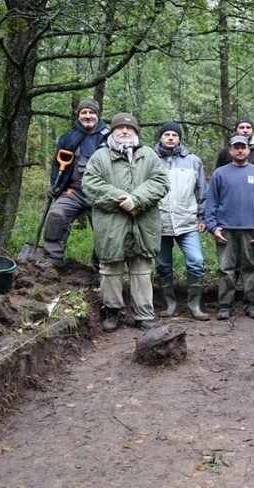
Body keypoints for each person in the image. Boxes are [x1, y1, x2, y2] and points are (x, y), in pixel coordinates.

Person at [82, 113, 169, 332]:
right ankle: (112, 312)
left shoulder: (148, 155)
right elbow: (91, 185)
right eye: (119, 128)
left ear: (136, 132)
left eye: (129, 129)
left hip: (143, 222)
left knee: (141, 271)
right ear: (112, 131)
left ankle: (144, 315)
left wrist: (137, 200)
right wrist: (123, 200)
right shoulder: (100, 156)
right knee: (110, 270)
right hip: (111, 224)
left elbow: (160, 182)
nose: (124, 131)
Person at [39, 100, 110, 269]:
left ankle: (99, 266)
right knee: (57, 215)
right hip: (73, 191)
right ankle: (52, 260)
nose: (88, 116)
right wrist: (55, 185)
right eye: (83, 113)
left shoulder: (109, 138)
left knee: (106, 229)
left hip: (101, 194)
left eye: (91, 113)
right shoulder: (68, 138)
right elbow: (57, 162)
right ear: (78, 116)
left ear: (98, 115)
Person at [205, 135, 254, 320]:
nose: (240, 150)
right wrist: (213, 227)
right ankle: (225, 305)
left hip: (251, 229)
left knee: (251, 267)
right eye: (236, 147)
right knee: (226, 269)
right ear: (230, 150)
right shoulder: (220, 173)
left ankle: (252, 304)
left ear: (249, 150)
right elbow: (211, 203)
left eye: (243, 147)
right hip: (225, 229)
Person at [153, 122, 210, 321]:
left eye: (174, 135)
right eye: (166, 134)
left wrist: (202, 217)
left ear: (179, 138)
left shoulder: (193, 161)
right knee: (162, 265)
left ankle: (194, 305)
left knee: (196, 262)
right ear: (160, 137)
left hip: (187, 221)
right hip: (158, 222)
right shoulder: (149, 159)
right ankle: (170, 304)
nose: (170, 137)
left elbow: (202, 192)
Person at [215, 117, 254, 279]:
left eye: (248, 127)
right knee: (236, 244)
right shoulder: (226, 152)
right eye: (241, 127)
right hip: (233, 207)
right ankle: (236, 271)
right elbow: (219, 179)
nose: (245, 130)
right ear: (236, 130)